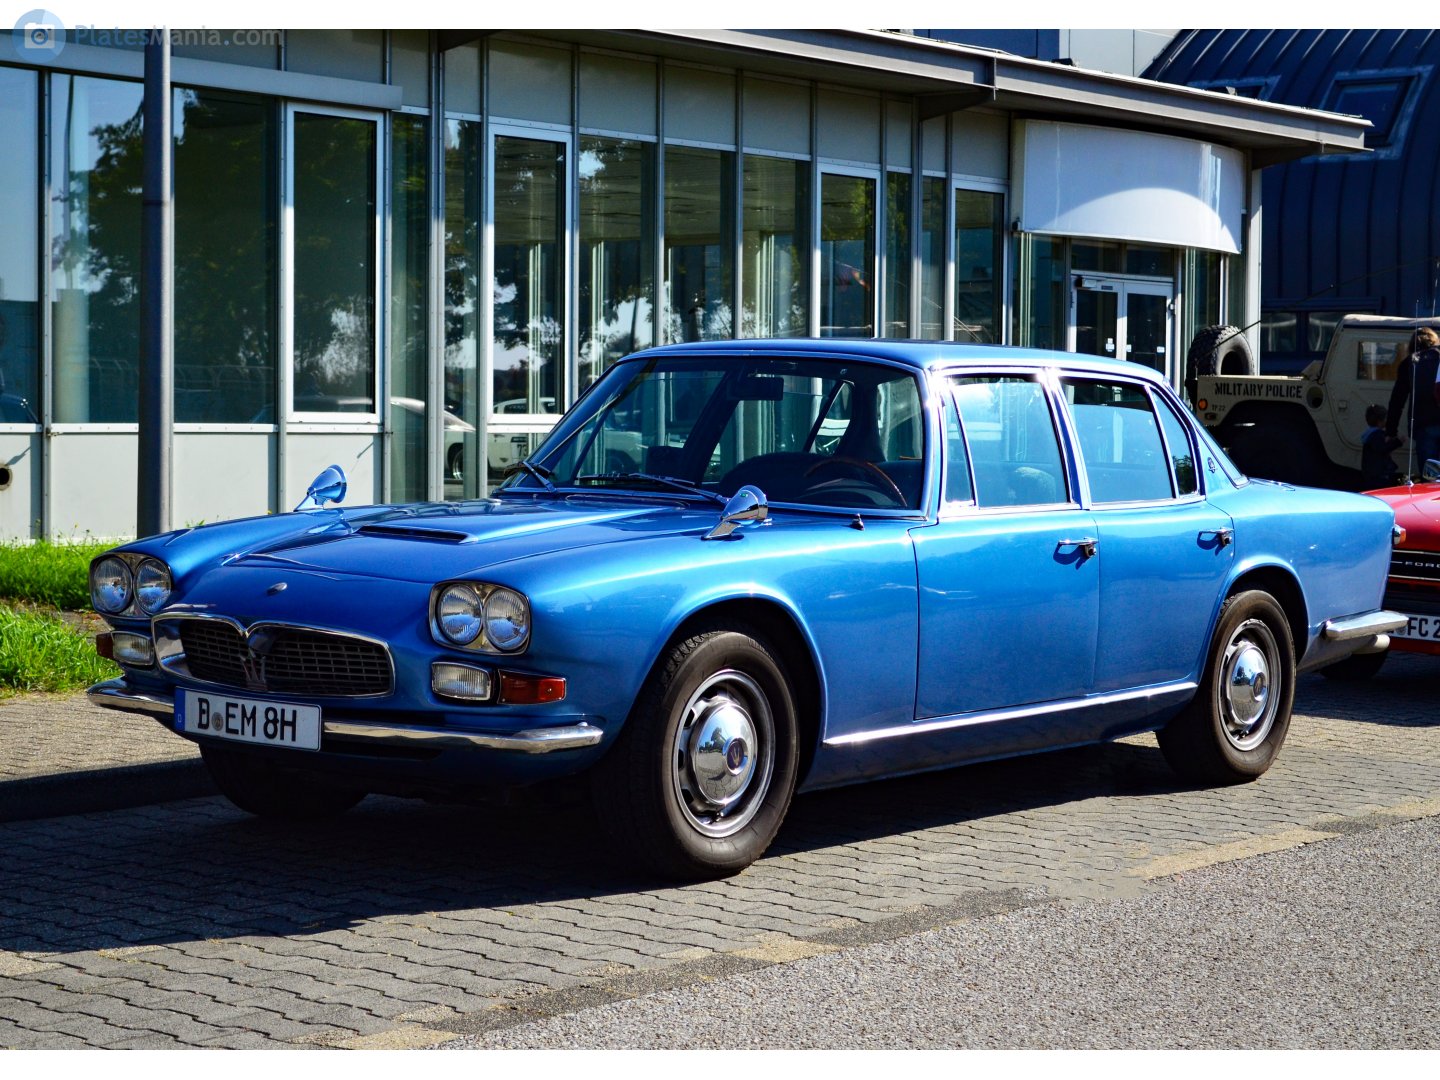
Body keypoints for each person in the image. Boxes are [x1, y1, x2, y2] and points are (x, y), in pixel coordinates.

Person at [1386, 326, 1440, 473]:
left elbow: (1397, 401)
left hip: (1424, 424)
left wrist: (1391, 431)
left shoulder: (1410, 363)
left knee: (1430, 474)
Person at [1361, 404, 1402, 488]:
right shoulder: (1377, 435)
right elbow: (1383, 448)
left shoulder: (1369, 435)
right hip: (1378, 473)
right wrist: (1398, 442)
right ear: (1380, 421)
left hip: (1371, 472)